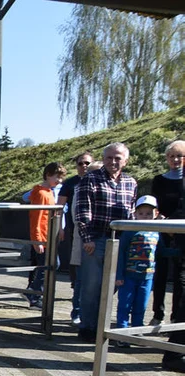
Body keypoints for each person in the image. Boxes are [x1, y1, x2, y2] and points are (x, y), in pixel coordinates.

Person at [75, 142, 137, 342]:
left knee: (112, 286)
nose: (113, 161)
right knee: (92, 286)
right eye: (109, 157)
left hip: (121, 241)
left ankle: (102, 325)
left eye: (118, 158)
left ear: (125, 161)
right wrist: (87, 238)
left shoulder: (131, 182)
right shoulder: (91, 179)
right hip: (97, 238)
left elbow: (132, 212)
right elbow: (83, 211)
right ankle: (87, 327)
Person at [150, 140, 185, 325]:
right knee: (160, 274)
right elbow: (155, 204)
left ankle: (176, 317)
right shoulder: (159, 179)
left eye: (179, 156)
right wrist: (163, 222)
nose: (175, 159)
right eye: (171, 156)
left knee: (180, 277)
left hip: (182, 231)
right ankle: (157, 314)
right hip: (162, 231)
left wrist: (174, 224)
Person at [58, 152, 93, 325]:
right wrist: (61, 227)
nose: (84, 166)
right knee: (78, 274)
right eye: (81, 163)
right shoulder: (71, 184)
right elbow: (60, 207)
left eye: (87, 163)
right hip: (76, 233)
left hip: (97, 235)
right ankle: (77, 311)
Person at [115, 196, 160, 330]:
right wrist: (119, 275)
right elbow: (120, 253)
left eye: (148, 213)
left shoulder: (158, 231)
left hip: (147, 277)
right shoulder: (129, 231)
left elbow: (161, 250)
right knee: (125, 305)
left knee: (141, 306)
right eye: (141, 213)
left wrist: (176, 251)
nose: (145, 216)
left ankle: (137, 329)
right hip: (129, 276)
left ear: (156, 214)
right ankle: (122, 332)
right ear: (135, 214)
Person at [25, 162, 66, 309]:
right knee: (49, 264)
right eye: (57, 177)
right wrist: (37, 239)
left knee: (48, 264)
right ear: (48, 175)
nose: (60, 181)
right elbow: (36, 217)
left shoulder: (47, 191)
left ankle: (34, 291)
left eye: (61, 178)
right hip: (43, 236)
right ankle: (34, 293)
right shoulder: (42, 193)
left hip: (47, 235)